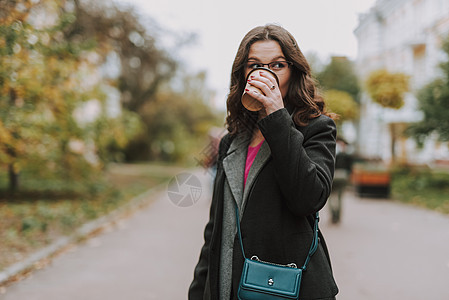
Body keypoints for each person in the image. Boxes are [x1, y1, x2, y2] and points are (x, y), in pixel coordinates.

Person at [189, 24, 339, 300]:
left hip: (283, 286)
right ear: (243, 74)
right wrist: (199, 291)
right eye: (254, 65)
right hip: (229, 284)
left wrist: (276, 115)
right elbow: (215, 229)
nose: (265, 73)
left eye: (278, 65)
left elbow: (308, 198)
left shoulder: (316, 128)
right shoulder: (233, 141)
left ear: (293, 72)